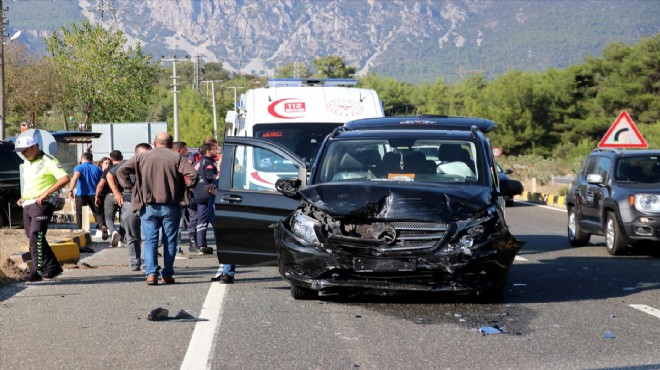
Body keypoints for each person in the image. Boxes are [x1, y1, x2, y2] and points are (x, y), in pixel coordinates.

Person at [117, 133, 197, 285]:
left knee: (150, 241)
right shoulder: (176, 157)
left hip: (148, 206)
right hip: (171, 205)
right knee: (170, 241)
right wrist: (186, 189)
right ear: (171, 143)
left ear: (154, 143)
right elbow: (193, 174)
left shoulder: (142, 157)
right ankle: (167, 274)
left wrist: (131, 188)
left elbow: (121, 171)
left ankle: (151, 274)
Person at [14, 136, 70, 282]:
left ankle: (36, 271)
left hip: (42, 204)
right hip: (28, 204)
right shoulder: (27, 162)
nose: (23, 154)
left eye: (25, 150)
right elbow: (30, 183)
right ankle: (52, 266)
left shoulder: (48, 160)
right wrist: (23, 197)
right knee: (33, 236)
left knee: (35, 235)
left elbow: (64, 178)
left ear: (35, 147)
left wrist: (45, 194)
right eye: (21, 151)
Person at [109, 144, 151, 271]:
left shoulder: (151, 165)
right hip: (129, 203)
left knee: (147, 236)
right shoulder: (126, 164)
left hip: (147, 205)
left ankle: (145, 263)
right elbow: (109, 175)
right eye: (145, 154)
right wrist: (116, 193)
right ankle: (135, 262)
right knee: (132, 236)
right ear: (136, 154)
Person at [69, 152, 106, 239]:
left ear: (82, 159)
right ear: (91, 159)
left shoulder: (79, 167)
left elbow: (75, 178)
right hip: (95, 194)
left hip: (81, 194)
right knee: (98, 212)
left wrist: (70, 190)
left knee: (80, 214)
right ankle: (102, 227)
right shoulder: (98, 169)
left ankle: (80, 231)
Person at [95, 150, 124, 247]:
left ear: (111, 159)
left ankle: (113, 231)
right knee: (123, 218)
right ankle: (120, 239)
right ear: (122, 157)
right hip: (124, 195)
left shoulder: (108, 170)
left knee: (108, 218)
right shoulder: (126, 167)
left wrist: (97, 196)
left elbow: (100, 185)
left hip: (110, 195)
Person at [193, 143, 217, 255]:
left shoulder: (197, 163)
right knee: (214, 219)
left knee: (201, 220)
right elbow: (209, 175)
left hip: (198, 194)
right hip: (208, 194)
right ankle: (220, 243)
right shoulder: (208, 162)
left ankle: (201, 244)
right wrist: (219, 178)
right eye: (214, 149)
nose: (216, 151)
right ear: (208, 151)